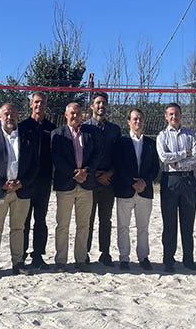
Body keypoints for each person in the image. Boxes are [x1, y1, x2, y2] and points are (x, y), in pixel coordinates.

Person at [0, 103, 40, 279]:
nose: (9, 117)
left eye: (13, 114)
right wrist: (2, 183)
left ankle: (18, 262)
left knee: (18, 228)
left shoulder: (28, 137)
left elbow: (35, 164)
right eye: (6, 114)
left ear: (18, 116)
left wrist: (23, 183)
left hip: (22, 190)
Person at [50, 102, 101, 272]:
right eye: (72, 113)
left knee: (83, 225)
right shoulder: (57, 134)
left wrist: (85, 171)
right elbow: (57, 159)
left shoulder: (91, 133)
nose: (75, 116)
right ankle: (61, 261)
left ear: (83, 115)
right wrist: (74, 173)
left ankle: (81, 260)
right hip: (66, 184)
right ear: (66, 115)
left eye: (78, 113)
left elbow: (96, 155)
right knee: (63, 225)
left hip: (86, 184)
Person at [112, 108, 159, 271]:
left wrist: (144, 182)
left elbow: (155, 167)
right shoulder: (122, 142)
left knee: (143, 227)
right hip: (126, 189)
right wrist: (132, 183)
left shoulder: (151, 143)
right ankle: (124, 258)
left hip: (145, 191)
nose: (137, 122)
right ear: (128, 122)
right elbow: (118, 165)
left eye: (140, 119)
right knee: (123, 226)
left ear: (143, 121)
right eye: (134, 119)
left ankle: (143, 257)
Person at [156, 102, 196, 273]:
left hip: (188, 180)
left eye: (177, 113)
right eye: (171, 114)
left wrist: (178, 160)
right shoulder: (162, 136)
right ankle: (168, 261)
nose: (174, 117)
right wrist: (184, 153)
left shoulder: (190, 134)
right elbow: (163, 157)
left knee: (188, 222)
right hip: (170, 181)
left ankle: (188, 259)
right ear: (166, 117)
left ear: (181, 115)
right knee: (170, 223)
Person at [19, 92, 56, 269]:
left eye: (42, 102)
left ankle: (38, 255)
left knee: (40, 219)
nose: (39, 105)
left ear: (46, 105)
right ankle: (21, 254)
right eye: (36, 102)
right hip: (26, 180)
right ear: (30, 104)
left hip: (44, 179)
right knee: (24, 220)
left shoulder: (52, 128)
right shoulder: (22, 127)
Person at [85, 92, 121, 266]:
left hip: (109, 181)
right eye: (98, 102)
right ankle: (84, 253)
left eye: (104, 103)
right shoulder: (84, 127)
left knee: (105, 219)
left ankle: (105, 253)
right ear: (92, 106)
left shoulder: (114, 129)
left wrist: (110, 173)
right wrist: (94, 174)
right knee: (88, 219)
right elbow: (82, 156)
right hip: (90, 180)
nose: (101, 105)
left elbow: (119, 156)